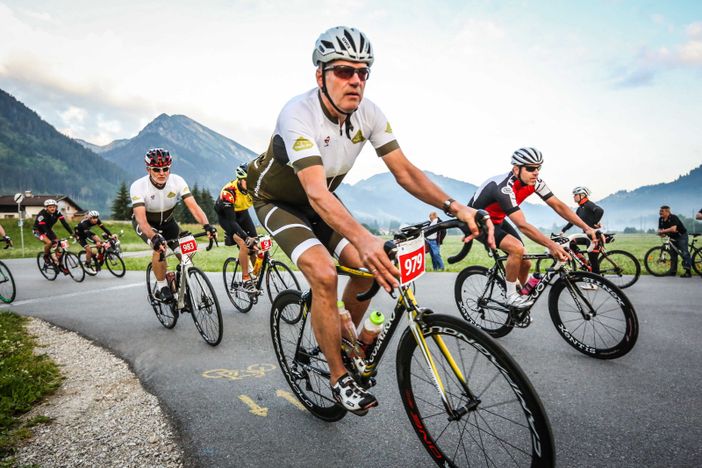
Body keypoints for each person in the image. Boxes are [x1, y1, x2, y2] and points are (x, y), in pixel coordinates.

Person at [247, 26, 493, 414]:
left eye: (364, 72)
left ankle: (348, 342)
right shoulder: (298, 113)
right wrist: (363, 238)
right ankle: (338, 377)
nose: (356, 81)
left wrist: (455, 206)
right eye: (345, 71)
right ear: (320, 76)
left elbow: (405, 172)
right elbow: (314, 191)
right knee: (324, 274)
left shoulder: (370, 114)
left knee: (366, 268)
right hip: (279, 201)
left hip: (322, 202)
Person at [469, 147, 598, 307]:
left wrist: (586, 228)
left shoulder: (535, 183)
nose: (536, 172)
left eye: (538, 168)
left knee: (526, 262)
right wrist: (551, 245)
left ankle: (523, 296)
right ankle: (511, 297)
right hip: (476, 222)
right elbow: (522, 225)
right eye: (530, 168)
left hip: (497, 219)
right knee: (516, 249)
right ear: (516, 169)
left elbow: (558, 205)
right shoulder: (504, 187)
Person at [130, 148, 217, 301]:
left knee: (185, 252)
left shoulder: (177, 181)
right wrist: (154, 237)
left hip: (169, 223)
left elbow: (194, 207)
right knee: (160, 248)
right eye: (156, 169)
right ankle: (162, 285)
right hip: (147, 224)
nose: (161, 173)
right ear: (148, 169)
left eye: (165, 169)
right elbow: (141, 220)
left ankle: (181, 278)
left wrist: (207, 226)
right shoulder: (138, 186)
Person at [214, 163, 258, 292]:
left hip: (243, 213)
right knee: (245, 243)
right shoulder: (229, 192)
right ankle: (245, 279)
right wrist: (245, 237)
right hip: (227, 216)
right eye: (247, 181)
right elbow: (232, 222)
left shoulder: (253, 189)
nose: (251, 184)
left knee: (255, 244)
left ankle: (254, 274)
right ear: (240, 179)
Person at [558, 186, 604, 274]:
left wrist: (594, 223)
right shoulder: (580, 209)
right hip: (587, 236)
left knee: (593, 260)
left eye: (575, 195)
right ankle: (584, 260)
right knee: (570, 242)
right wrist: (563, 230)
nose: (573, 197)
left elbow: (600, 211)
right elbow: (573, 221)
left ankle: (595, 283)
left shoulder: (588, 204)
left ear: (582, 195)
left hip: (594, 236)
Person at [32, 199, 74, 267]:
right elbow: (44, 228)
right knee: (49, 242)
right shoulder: (42, 215)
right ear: (46, 208)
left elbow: (64, 224)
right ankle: (46, 256)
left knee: (59, 247)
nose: (52, 208)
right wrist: (52, 240)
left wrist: (72, 233)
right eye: (50, 207)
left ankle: (59, 264)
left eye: (54, 207)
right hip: (38, 231)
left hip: (48, 230)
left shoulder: (57, 213)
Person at [657, 205, 691, 277]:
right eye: (660, 211)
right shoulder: (661, 219)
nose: (660, 212)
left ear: (667, 211)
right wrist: (660, 233)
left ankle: (688, 272)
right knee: (673, 254)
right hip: (671, 237)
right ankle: (672, 271)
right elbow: (660, 230)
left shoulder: (673, 217)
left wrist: (663, 231)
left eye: (662, 211)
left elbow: (673, 229)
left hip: (681, 236)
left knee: (684, 253)